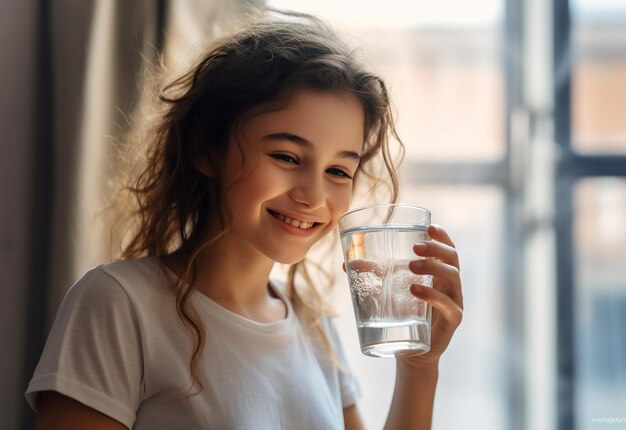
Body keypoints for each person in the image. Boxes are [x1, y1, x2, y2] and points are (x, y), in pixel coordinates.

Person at [25, 12, 463, 430]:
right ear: (205, 147)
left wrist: (420, 366)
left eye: (338, 171)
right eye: (286, 157)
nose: (312, 196)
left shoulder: (314, 327)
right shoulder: (118, 304)